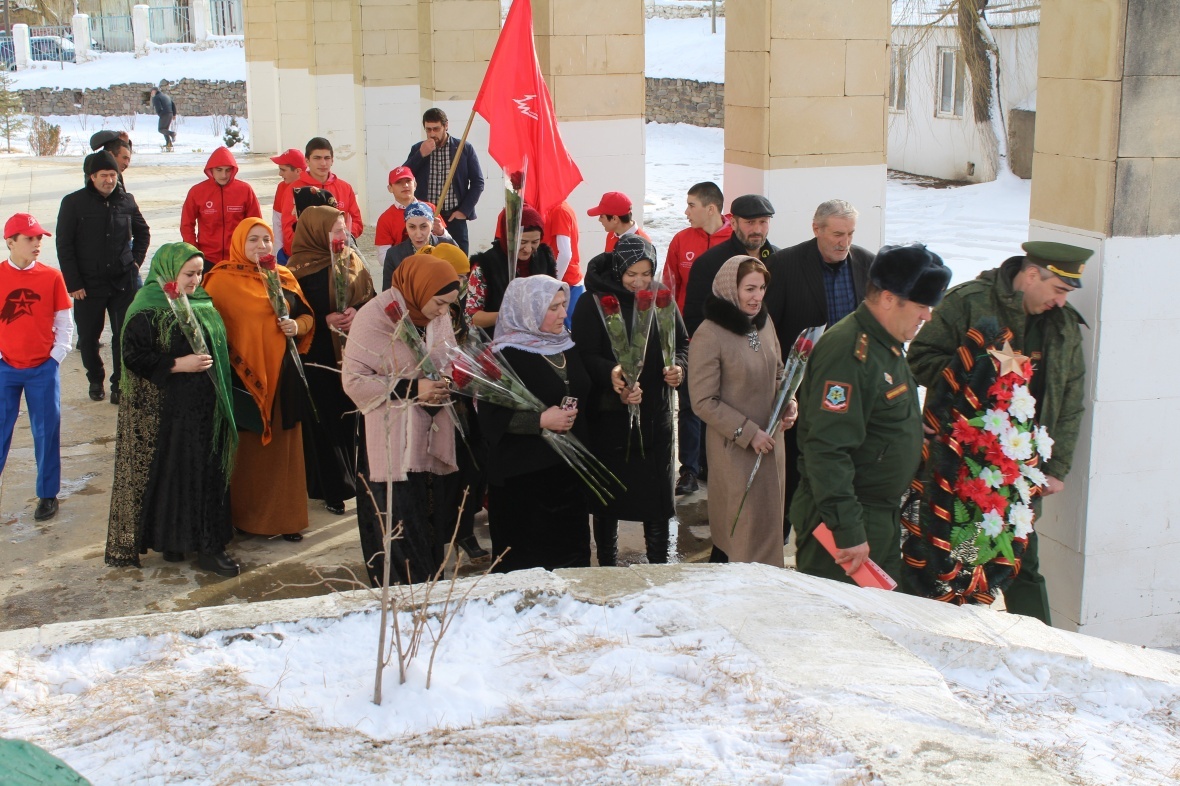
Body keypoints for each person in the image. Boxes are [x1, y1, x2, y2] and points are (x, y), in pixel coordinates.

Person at [908, 241, 1090, 624]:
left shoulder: (1062, 326)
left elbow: (1071, 398)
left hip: (1020, 472)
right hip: (960, 465)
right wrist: (976, 373)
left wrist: (1056, 467)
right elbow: (920, 359)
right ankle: (942, 630)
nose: (1060, 301)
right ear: (1029, 276)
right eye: (1057, 289)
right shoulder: (970, 303)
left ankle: (1043, 648)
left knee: (1021, 560)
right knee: (949, 554)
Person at [792, 244, 951, 584]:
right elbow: (827, 449)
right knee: (839, 627)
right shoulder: (849, 352)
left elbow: (874, 412)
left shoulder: (886, 343)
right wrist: (848, 530)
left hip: (874, 514)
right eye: (922, 305)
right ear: (890, 299)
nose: (928, 316)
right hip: (846, 517)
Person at [104, 243, 240, 576]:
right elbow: (132, 356)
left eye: (199, 273)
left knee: (202, 474)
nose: (196, 280)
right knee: (183, 476)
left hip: (207, 408)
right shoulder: (148, 306)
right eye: (189, 274)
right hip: (172, 411)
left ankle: (184, 539)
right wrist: (179, 364)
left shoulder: (201, 300)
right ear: (169, 273)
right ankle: (206, 548)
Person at [342, 253, 461, 586]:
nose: (442, 311)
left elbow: (447, 355)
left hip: (428, 437)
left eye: (448, 305)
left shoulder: (436, 316)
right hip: (389, 443)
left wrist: (448, 381)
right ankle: (400, 606)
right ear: (419, 289)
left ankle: (429, 595)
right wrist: (412, 389)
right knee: (398, 527)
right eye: (439, 302)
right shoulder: (375, 318)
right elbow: (353, 382)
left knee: (430, 524)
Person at [571, 235, 688, 566]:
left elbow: (682, 343)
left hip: (656, 416)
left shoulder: (661, 298)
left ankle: (660, 565)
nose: (639, 282)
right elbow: (583, 355)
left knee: (657, 499)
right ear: (618, 269)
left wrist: (678, 368)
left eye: (645, 273)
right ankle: (607, 565)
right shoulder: (594, 302)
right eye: (631, 274)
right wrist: (613, 375)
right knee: (608, 500)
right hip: (611, 419)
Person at [763, 199, 874, 539]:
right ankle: (777, 542)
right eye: (837, 234)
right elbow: (770, 329)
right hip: (802, 391)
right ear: (817, 229)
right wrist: (781, 385)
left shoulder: (867, 264)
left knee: (841, 469)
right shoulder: (785, 264)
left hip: (851, 391)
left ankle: (832, 539)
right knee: (794, 474)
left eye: (850, 234)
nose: (844, 242)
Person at [204, 218, 315, 541]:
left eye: (266, 240)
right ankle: (248, 519)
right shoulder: (221, 281)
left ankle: (287, 520)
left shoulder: (283, 276)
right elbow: (212, 331)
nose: (261, 247)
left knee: (285, 449)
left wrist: (299, 327)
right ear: (239, 242)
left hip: (284, 375)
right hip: (245, 379)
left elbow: (306, 314)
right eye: (252, 240)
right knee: (250, 452)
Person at [480, 276, 592, 572]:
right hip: (524, 483)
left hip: (568, 476)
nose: (562, 314)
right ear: (527, 310)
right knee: (527, 569)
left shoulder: (566, 344)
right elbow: (490, 420)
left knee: (571, 565)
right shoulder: (503, 356)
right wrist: (541, 420)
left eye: (563, 306)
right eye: (552, 308)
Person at [688, 256, 792, 567]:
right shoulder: (710, 334)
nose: (757, 296)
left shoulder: (763, 321)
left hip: (772, 446)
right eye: (749, 288)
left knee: (769, 527)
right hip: (736, 452)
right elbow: (703, 401)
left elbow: (779, 372)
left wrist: (789, 403)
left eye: (761, 288)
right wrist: (749, 433)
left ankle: (765, 594)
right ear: (730, 289)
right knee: (742, 534)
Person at [285, 205, 375, 515]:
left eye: (343, 229)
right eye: (335, 230)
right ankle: (333, 489)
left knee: (350, 417)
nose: (342, 236)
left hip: (351, 353)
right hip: (316, 355)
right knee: (325, 423)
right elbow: (292, 314)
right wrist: (323, 320)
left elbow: (369, 297)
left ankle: (356, 476)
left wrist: (356, 312)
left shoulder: (351, 259)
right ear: (315, 232)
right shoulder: (298, 268)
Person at [55, 151, 150, 404]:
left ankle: (119, 384)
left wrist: (135, 261)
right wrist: (73, 283)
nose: (109, 180)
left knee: (123, 336)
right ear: (92, 177)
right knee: (88, 338)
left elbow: (143, 232)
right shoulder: (73, 203)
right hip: (87, 285)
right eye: (104, 175)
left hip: (122, 282)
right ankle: (95, 379)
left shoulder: (126, 201)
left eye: (113, 175)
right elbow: (64, 245)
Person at [661, 181, 732, 496]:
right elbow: (668, 290)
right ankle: (688, 469)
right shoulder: (681, 240)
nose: (685, 211)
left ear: (711, 208)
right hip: (689, 338)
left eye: (691, 205)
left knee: (724, 401)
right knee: (689, 404)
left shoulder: (736, 240)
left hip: (729, 339)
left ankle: (716, 465)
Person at [0, 213, 71, 522]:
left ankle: (47, 493)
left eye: (39, 238)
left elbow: (64, 321)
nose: (37, 243)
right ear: (11, 242)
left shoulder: (51, 277)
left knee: (46, 430)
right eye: (29, 238)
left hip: (43, 367)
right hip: (5, 368)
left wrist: (55, 357)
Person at [682, 194, 777, 336]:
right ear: (733, 223)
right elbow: (694, 321)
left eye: (763, 222)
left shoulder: (779, 260)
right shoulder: (708, 263)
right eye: (750, 223)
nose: (757, 230)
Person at [403, 107, 485, 254]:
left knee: (458, 261)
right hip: (426, 218)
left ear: (446, 125)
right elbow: (404, 176)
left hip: (454, 218)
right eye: (428, 130)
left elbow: (478, 182)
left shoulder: (463, 148)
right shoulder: (418, 148)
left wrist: (463, 211)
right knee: (427, 261)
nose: (432, 134)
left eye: (436, 129)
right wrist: (420, 155)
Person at [465, 205, 557, 336]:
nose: (528, 249)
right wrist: (509, 316)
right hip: (499, 341)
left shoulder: (545, 258)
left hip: (539, 337)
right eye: (522, 242)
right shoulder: (486, 265)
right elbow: (472, 316)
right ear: (509, 237)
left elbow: (554, 298)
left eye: (535, 242)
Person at [180, 146, 263, 270]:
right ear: (211, 170)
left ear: (233, 170)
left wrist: (251, 251)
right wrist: (193, 251)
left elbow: (256, 224)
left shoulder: (245, 190)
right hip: (207, 258)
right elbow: (187, 225)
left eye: (227, 170)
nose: (224, 175)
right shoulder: (197, 192)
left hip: (238, 257)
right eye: (219, 170)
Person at [277, 138, 364, 255]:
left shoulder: (345, 188)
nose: (323, 163)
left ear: (332, 160)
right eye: (317, 158)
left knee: (364, 270)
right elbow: (288, 230)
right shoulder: (293, 190)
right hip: (308, 256)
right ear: (307, 161)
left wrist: (339, 237)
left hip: (341, 251)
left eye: (327, 158)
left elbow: (356, 223)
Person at [374, 166, 448, 263]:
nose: (405, 185)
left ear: (415, 184)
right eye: (398, 182)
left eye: (408, 181)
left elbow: (448, 244)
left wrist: (442, 232)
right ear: (390, 188)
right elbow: (383, 257)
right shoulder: (385, 219)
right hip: (404, 273)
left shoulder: (431, 209)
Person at [382, 202, 459, 290]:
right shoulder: (394, 254)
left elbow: (461, 286)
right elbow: (388, 292)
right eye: (412, 227)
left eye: (423, 227)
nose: (418, 235)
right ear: (406, 226)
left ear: (432, 225)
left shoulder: (449, 247)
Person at [544, 200, 582, 324]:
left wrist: (554, 283)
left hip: (566, 283)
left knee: (567, 332)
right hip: (567, 281)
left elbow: (565, 254)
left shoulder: (559, 210)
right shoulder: (561, 208)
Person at [270, 148, 305, 250]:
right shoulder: (281, 187)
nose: (280, 174)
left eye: (283, 170)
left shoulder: (313, 187)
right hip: (286, 251)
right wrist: (277, 252)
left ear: (298, 171)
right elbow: (277, 221)